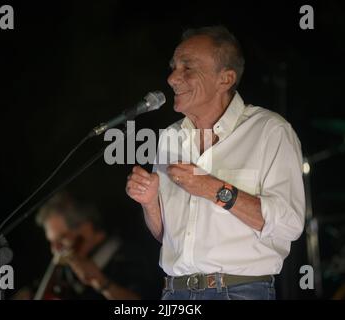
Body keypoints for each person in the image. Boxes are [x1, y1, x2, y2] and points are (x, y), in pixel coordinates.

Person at [126, 26, 305, 300]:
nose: (173, 78)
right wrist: (150, 202)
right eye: (174, 67)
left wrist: (212, 188)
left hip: (238, 291)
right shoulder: (170, 138)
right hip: (175, 293)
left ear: (225, 79)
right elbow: (167, 237)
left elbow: (289, 224)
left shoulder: (270, 131)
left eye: (188, 68)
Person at [19, 191, 159, 300]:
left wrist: (100, 281)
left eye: (61, 238)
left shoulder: (129, 256)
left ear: (86, 229)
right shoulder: (66, 269)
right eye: (51, 242)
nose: (55, 249)